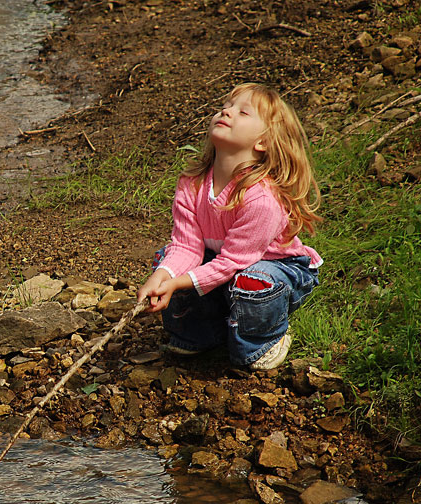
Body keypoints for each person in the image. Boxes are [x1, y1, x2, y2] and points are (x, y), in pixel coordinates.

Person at [137, 83, 322, 371]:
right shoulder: (193, 183)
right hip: (225, 265)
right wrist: (162, 277)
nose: (226, 111)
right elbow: (186, 246)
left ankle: (262, 341)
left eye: (242, 112)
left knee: (252, 279)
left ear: (262, 142)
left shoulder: (261, 198)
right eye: (226, 105)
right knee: (166, 261)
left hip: (274, 268)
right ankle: (198, 335)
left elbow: (234, 261)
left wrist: (177, 283)